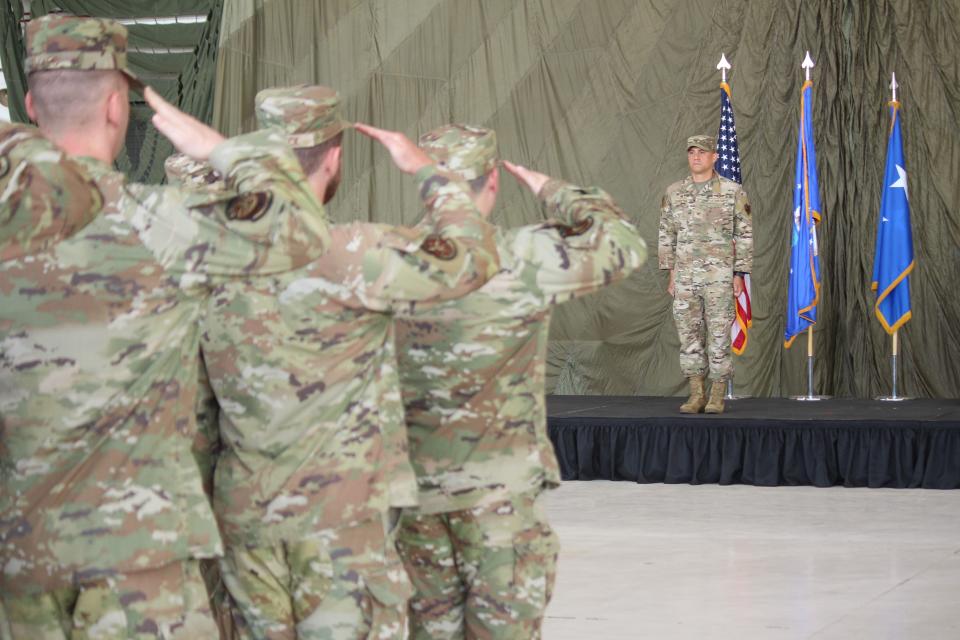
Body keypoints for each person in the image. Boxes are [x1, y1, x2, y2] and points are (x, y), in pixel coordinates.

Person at [0, 16, 331, 639]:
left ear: (30, 105)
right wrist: (222, 150)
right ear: (114, 107)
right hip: (142, 555)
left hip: (22, 551)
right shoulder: (165, 226)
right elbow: (301, 228)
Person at [194, 85, 501, 639]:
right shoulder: (358, 253)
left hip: (245, 519)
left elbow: (193, 409)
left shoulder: (206, 257)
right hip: (342, 522)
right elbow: (473, 256)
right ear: (333, 158)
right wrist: (428, 174)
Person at [393, 124, 648, 639]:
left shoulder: (385, 257)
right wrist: (554, 191)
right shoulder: (526, 256)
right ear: (492, 183)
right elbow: (624, 243)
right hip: (501, 504)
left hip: (415, 499)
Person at [658, 134, 753, 414]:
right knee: (689, 336)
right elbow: (666, 234)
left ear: (715, 157)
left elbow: (745, 234)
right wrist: (671, 273)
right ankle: (696, 393)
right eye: (691, 152)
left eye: (702, 152)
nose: (696, 157)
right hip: (685, 277)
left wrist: (739, 273)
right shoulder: (674, 192)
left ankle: (717, 395)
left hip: (719, 277)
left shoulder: (732, 191)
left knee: (719, 336)